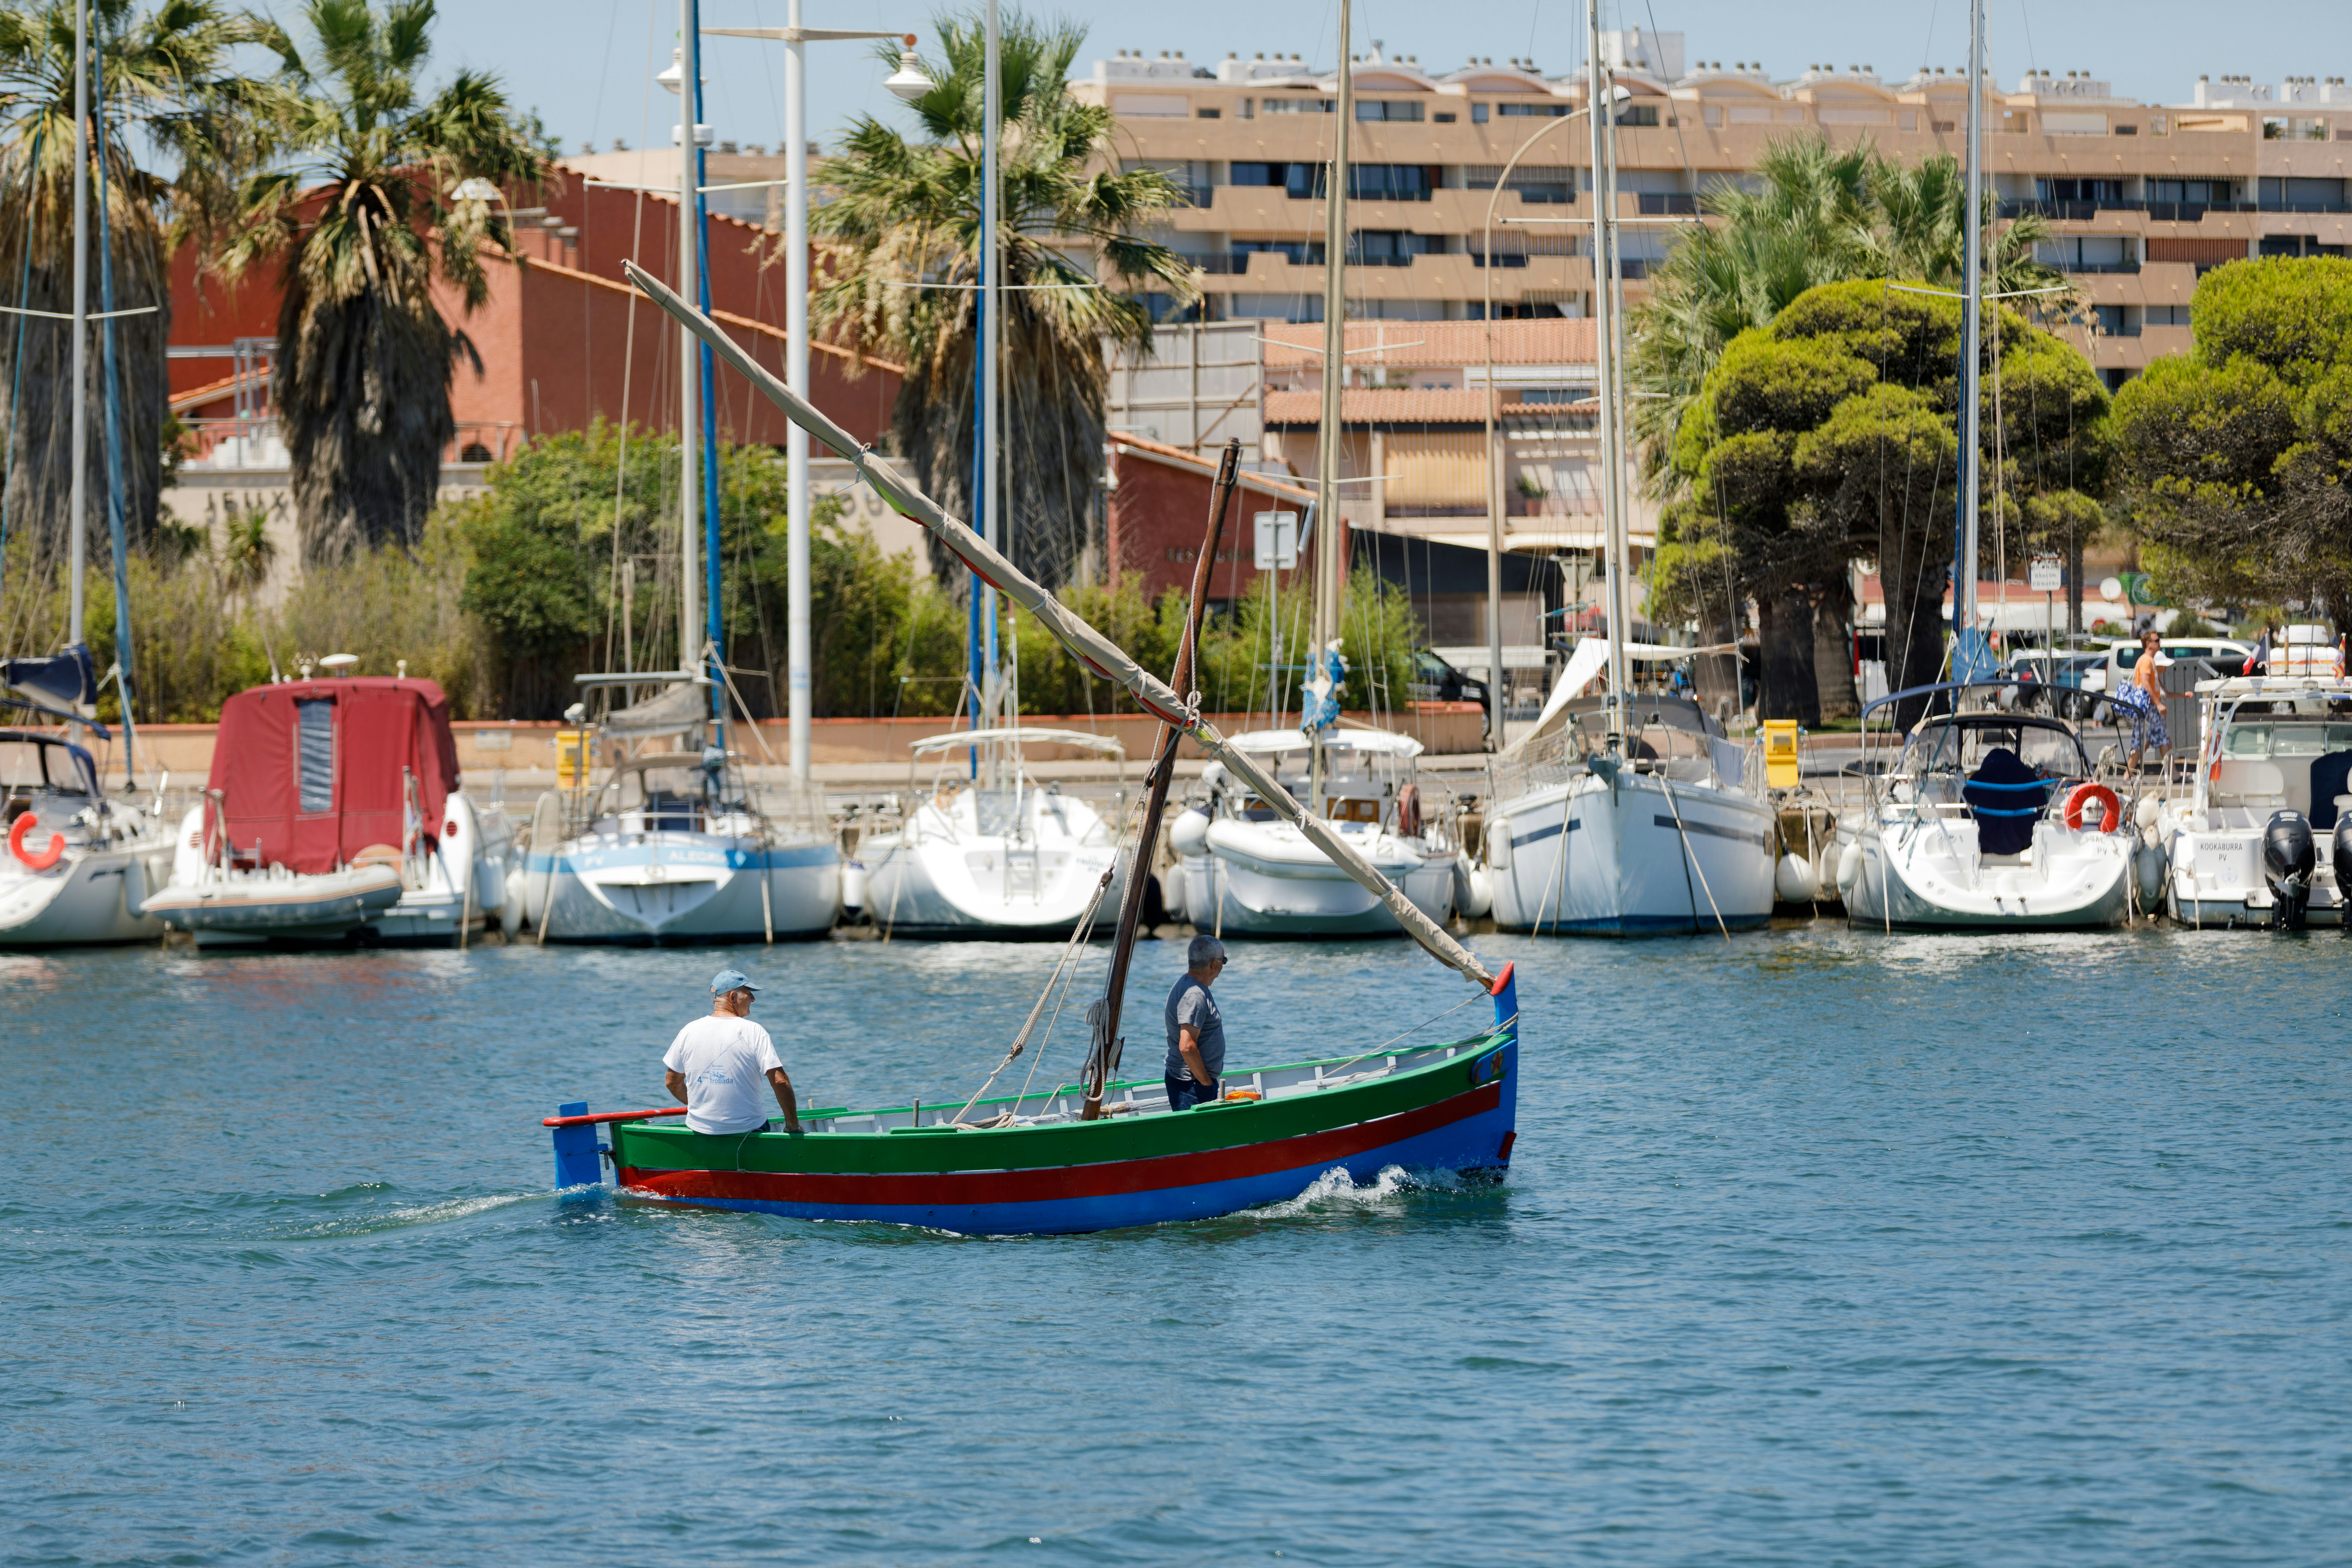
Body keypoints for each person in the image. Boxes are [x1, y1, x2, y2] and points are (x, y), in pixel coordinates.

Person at [663, 968, 802, 1135]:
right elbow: (779, 1081)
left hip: (700, 1130)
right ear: (733, 997)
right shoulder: (754, 1031)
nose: (753, 999)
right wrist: (793, 1126)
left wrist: (701, 1108)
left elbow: (672, 1082)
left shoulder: (689, 1030)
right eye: (749, 993)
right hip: (749, 1130)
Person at [1164, 934, 1228, 1112]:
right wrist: (1206, 1084)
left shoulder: (1188, 985)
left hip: (1193, 1082)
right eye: (1224, 961)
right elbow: (1187, 1046)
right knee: (1192, 1138)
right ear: (1214, 964)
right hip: (1192, 1085)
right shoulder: (1195, 995)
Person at [2122, 625, 2171, 777]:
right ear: (2149, 644)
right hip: (2147, 708)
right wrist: (2158, 703)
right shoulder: (2146, 661)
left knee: (2159, 739)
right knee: (2141, 742)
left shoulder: (2150, 661)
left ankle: (2172, 773)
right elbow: (2145, 684)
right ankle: (2128, 774)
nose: (2160, 643)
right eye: (2157, 640)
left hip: (2149, 709)